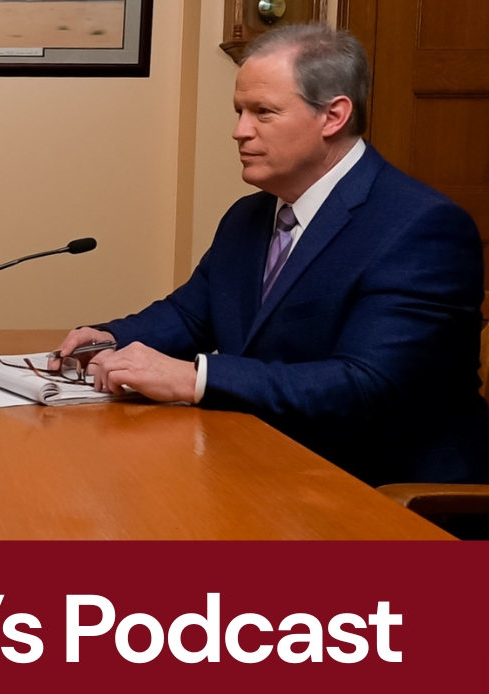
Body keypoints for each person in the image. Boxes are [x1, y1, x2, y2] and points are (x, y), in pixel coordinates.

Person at [52, 24, 489, 488]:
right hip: (259, 459)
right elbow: (191, 315)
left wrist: (195, 378)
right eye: (240, 112)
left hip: (379, 485)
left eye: (263, 112)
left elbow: (367, 387)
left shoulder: (422, 226)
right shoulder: (249, 214)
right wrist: (111, 338)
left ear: (333, 116)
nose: (240, 132)